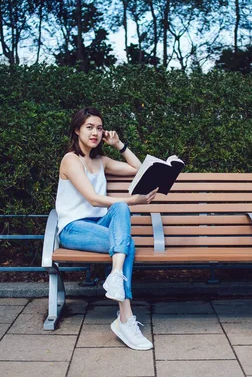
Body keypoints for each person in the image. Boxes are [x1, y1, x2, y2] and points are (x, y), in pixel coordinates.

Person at [55, 107, 158, 351]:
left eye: (99, 128)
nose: (95, 132)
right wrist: (134, 200)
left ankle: (116, 277)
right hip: (73, 229)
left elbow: (139, 170)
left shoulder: (100, 161)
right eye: (89, 127)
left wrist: (119, 144)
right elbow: (93, 199)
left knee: (120, 210)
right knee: (128, 241)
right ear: (77, 130)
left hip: (99, 227)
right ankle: (125, 318)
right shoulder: (70, 160)